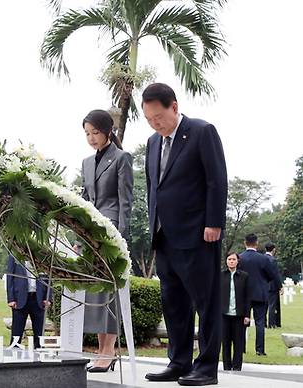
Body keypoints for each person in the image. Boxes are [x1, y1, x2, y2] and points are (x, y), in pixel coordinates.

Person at [142, 83, 228, 386]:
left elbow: (216, 180)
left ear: (174, 107)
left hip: (198, 234)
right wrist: (153, 226)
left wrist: (214, 222)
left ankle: (205, 367)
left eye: (159, 117)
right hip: (164, 236)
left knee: (205, 302)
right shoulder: (153, 143)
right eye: (149, 119)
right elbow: (154, 188)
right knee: (174, 303)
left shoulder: (202, 132)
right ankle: (178, 362)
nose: (155, 123)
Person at [80, 109, 133, 373]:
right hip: (90, 235)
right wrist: (79, 234)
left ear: (108, 131)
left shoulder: (122, 158)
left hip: (112, 234)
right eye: (87, 134)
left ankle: (108, 352)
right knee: (96, 293)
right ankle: (101, 351)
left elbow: (125, 201)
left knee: (109, 293)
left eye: (95, 132)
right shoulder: (86, 163)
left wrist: (121, 238)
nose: (91, 138)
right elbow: (84, 201)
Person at [238, 233, 280, 355]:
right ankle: (260, 350)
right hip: (260, 293)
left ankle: (242, 348)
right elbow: (272, 275)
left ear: (245, 243)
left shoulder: (239, 258)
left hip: (243, 294)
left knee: (242, 322)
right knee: (260, 323)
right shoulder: (264, 259)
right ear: (257, 243)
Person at [6, 255, 52, 349]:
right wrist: (11, 298)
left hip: (38, 298)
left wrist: (48, 297)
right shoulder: (14, 255)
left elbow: (49, 276)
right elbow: (10, 276)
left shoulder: (41, 255)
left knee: (39, 333)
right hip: (20, 299)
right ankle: (13, 358)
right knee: (16, 333)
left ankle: (39, 358)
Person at [220, 252, 250, 371]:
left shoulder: (244, 276)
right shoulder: (221, 275)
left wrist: (247, 315)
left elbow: (248, 296)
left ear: (238, 261)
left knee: (238, 343)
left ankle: (237, 367)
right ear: (226, 261)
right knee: (226, 342)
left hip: (239, 315)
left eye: (233, 259)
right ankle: (227, 367)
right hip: (224, 314)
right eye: (229, 259)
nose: (231, 261)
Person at [265, 242, 283, 328]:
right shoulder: (273, 260)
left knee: (264, 306)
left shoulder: (262, 258)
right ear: (273, 249)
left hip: (263, 285)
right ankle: (271, 323)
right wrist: (280, 286)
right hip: (272, 286)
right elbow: (275, 275)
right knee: (272, 306)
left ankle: (263, 323)